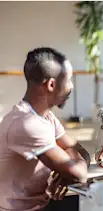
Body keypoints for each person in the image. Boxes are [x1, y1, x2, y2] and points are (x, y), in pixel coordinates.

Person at [0, 47, 90, 211]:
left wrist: (66, 173)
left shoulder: (45, 117)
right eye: (69, 80)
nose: (71, 86)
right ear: (51, 84)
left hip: (45, 204)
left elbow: (78, 149)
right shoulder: (26, 124)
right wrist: (70, 171)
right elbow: (80, 174)